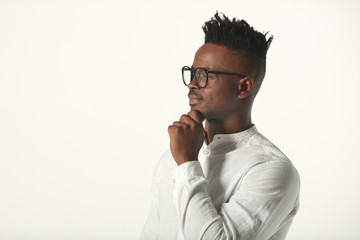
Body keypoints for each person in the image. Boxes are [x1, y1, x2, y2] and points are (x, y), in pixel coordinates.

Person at [140, 12, 300, 240]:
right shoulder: (174, 155)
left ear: (243, 87)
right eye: (192, 73)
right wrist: (184, 159)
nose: (193, 84)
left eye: (205, 75)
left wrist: (187, 163)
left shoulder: (272, 169)